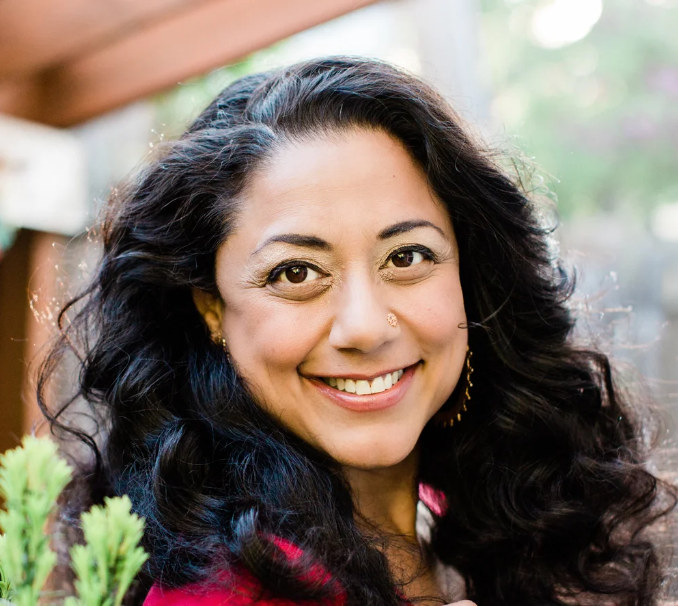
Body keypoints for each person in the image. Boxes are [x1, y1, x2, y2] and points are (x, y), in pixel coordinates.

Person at [39, 57, 675, 606]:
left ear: (469, 277)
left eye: (407, 257)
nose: (366, 327)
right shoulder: (224, 590)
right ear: (211, 308)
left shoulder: (467, 520)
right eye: (295, 272)